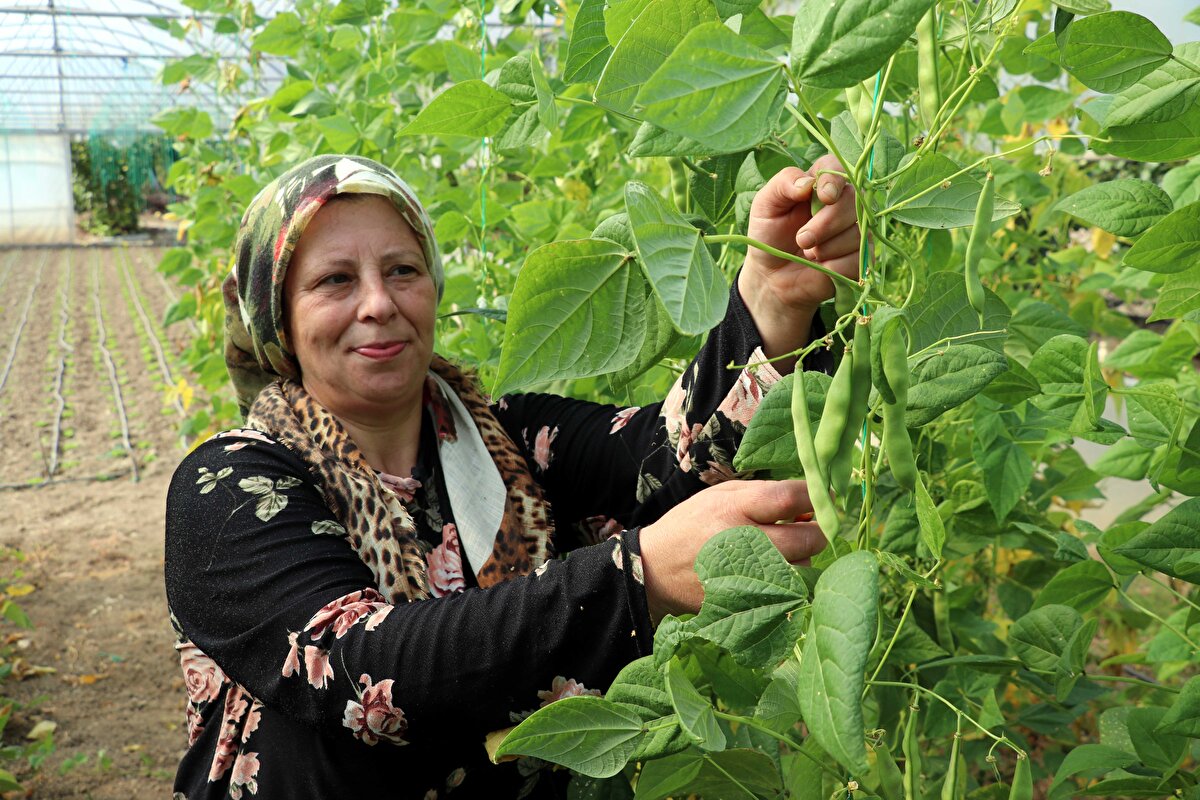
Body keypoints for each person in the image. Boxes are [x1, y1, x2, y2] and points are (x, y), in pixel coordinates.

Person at [164, 153, 861, 799]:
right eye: (334, 280)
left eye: (403, 270)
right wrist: (632, 579)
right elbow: (355, 671)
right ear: (277, 318)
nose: (379, 302)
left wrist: (770, 300)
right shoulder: (228, 488)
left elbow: (664, 458)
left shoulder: (515, 440)